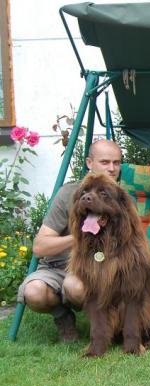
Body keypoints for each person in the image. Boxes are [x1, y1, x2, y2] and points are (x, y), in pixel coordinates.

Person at [17, 140, 122, 342]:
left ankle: (106, 327)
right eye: (105, 162)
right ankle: (62, 316)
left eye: (116, 163)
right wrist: (78, 237)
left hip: (95, 268)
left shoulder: (121, 198)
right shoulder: (69, 194)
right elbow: (39, 247)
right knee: (34, 292)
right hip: (57, 266)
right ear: (89, 162)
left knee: (76, 286)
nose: (111, 168)